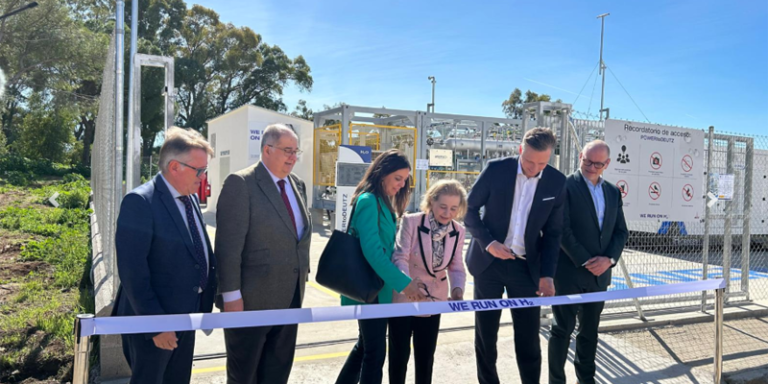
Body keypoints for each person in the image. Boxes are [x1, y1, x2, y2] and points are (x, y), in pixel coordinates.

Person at [112, 127, 217, 384]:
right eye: (199, 170)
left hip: (186, 317)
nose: (203, 177)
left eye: (205, 170)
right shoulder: (140, 202)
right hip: (155, 324)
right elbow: (132, 271)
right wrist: (156, 325)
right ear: (174, 167)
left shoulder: (189, 198)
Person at [464, 127, 566, 384]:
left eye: (541, 163)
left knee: (529, 338)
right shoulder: (496, 169)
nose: (534, 168)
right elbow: (469, 210)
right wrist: (489, 243)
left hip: (526, 269)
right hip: (488, 265)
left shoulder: (556, 181)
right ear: (521, 149)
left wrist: (547, 275)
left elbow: (554, 234)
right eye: (529, 161)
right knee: (486, 336)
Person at [215, 124, 312, 384]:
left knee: (277, 373)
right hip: (249, 303)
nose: (293, 157)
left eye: (296, 151)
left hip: (290, 298)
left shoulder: (297, 185)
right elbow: (228, 247)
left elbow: (298, 239)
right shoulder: (241, 183)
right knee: (244, 376)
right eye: (287, 150)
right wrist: (231, 296)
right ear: (267, 150)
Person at [335, 149, 427, 384]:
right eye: (397, 178)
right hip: (369, 289)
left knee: (365, 347)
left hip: (376, 289)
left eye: (405, 180)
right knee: (374, 353)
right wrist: (405, 285)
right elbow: (373, 252)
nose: (401, 184)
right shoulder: (369, 201)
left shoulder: (382, 203)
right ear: (382, 173)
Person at [548, 140, 628, 384]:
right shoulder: (565, 186)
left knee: (590, 332)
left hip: (599, 275)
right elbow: (562, 229)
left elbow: (620, 231)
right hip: (569, 273)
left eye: (598, 163)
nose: (592, 167)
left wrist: (609, 260)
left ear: (607, 164)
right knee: (562, 330)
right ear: (580, 155)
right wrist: (585, 260)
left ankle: (586, 379)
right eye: (587, 161)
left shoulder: (613, 191)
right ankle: (556, 380)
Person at [389, 179, 468, 384]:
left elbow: (456, 265)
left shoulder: (458, 231)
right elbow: (400, 257)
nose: (447, 213)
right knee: (399, 356)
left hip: (435, 299)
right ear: (431, 201)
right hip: (406, 295)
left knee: (425, 357)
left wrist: (458, 290)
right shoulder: (412, 221)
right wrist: (407, 286)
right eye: (443, 206)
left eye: (453, 208)